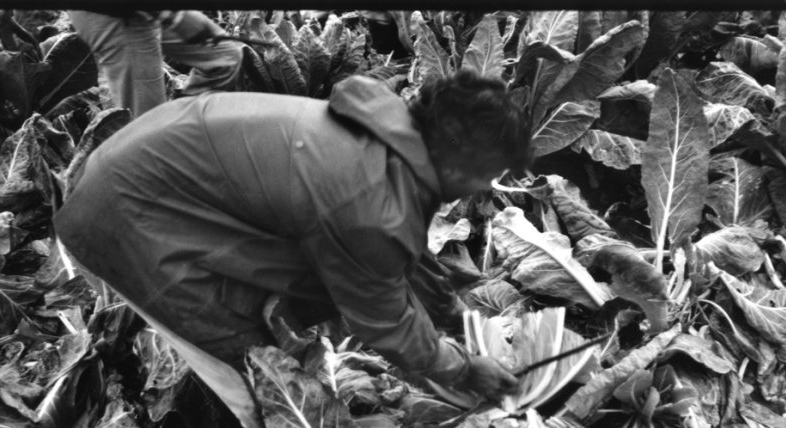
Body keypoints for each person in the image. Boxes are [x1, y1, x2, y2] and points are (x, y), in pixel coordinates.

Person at [54, 70, 527, 403]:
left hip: (151, 169)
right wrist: (462, 369)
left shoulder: (395, 137)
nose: (486, 186)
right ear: (452, 160)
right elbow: (382, 316)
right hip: (127, 216)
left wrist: (452, 314)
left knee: (269, 319)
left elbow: (403, 255)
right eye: (485, 173)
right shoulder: (367, 203)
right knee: (259, 379)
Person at [68, 10, 243, 117]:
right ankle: (155, 159)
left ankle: (179, 128)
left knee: (224, 55)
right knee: (145, 117)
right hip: (114, 14)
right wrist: (176, 16)